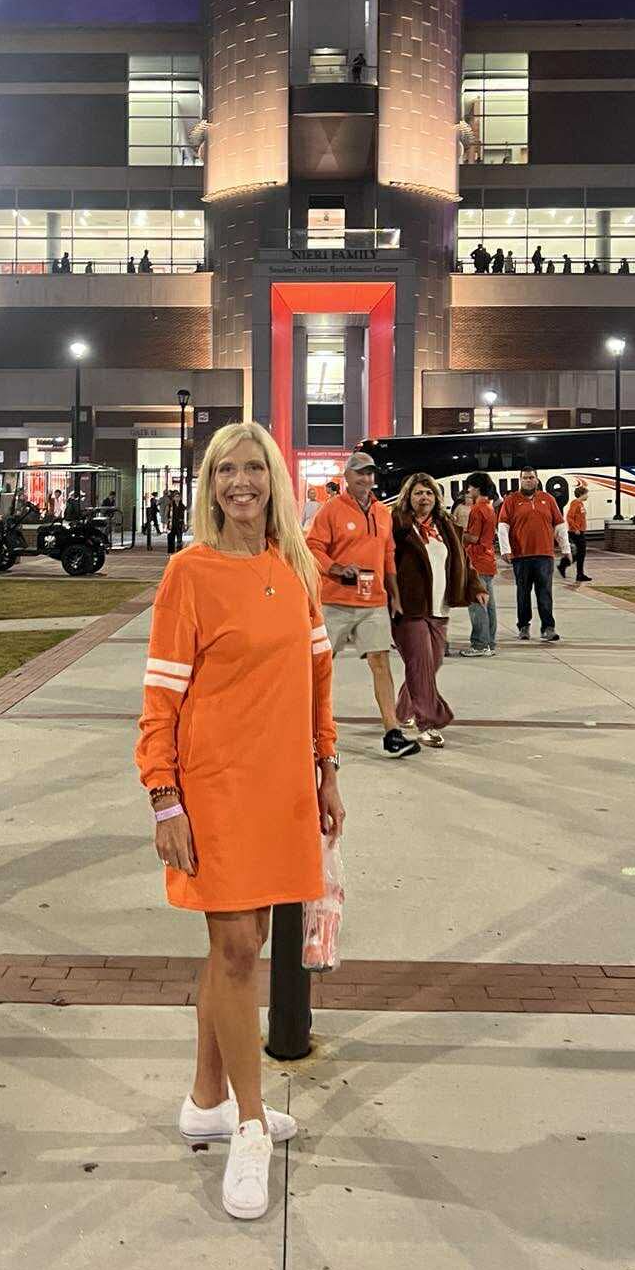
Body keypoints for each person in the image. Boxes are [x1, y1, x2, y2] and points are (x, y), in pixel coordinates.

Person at [136, 421, 344, 1222]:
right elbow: (161, 695)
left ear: (276, 482)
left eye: (255, 468)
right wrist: (164, 796)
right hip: (215, 789)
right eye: (227, 470)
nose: (242, 483)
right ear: (209, 484)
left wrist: (327, 768)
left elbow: (319, 679)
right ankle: (251, 1125)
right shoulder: (189, 573)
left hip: (285, 786)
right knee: (234, 949)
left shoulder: (296, 569)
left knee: (236, 950)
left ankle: (206, 1100)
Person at [307, 450, 420, 758]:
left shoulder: (383, 513)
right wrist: (335, 568)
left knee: (380, 662)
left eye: (370, 473)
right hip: (335, 602)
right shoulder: (331, 510)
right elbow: (312, 547)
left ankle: (392, 732)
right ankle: (308, 729)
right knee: (318, 666)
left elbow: (388, 557)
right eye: (360, 473)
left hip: (373, 603)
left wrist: (394, 596)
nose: (366, 479)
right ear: (347, 477)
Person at [390, 474, 484, 746]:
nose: (424, 498)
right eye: (419, 493)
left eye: (429, 493)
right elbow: (383, 561)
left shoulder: (446, 526)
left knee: (432, 664)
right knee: (420, 665)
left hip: (439, 607)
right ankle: (428, 723)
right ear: (409, 496)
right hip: (409, 608)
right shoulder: (398, 525)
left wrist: (476, 586)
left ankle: (404, 710)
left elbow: (463, 561)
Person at [498, 467, 568, 642]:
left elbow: (559, 525)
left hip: (544, 554)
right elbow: (503, 527)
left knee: (545, 592)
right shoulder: (511, 500)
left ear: (537, 480)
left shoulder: (548, 499)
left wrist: (566, 548)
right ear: (520, 480)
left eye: (531, 477)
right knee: (523, 592)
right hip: (521, 556)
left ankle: (548, 628)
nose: (528, 480)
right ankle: (523, 626)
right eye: (525, 478)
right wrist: (505, 549)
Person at [459, 470, 500, 656]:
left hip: (477, 560)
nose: (468, 490)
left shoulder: (477, 509)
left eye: (469, 486)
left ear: (476, 487)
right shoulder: (490, 507)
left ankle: (479, 644)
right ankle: (489, 642)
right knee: (488, 604)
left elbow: (473, 537)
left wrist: (457, 532)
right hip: (489, 559)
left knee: (477, 604)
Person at [558, 480, 593, 583]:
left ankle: (576, 572)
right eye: (586, 494)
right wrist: (576, 528)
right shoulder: (575, 503)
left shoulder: (580, 504)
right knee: (580, 553)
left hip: (580, 531)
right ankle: (571, 569)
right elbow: (569, 517)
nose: (587, 496)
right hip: (576, 532)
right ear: (582, 494)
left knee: (580, 554)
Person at [166, 487, 186, 553]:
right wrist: (168, 521)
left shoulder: (182, 506)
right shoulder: (170, 505)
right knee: (171, 538)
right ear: (173, 498)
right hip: (172, 523)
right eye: (176, 497)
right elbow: (167, 514)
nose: (177, 498)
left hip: (179, 524)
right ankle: (171, 551)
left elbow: (183, 515)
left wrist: (183, 523)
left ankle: (179, 551)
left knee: (179, 538)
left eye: (178, 497)